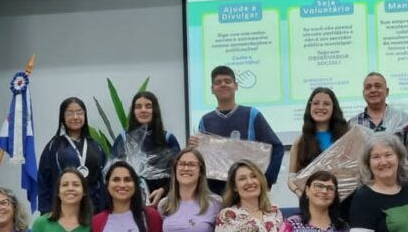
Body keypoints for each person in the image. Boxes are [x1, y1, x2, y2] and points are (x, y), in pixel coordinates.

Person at [191, 65, 284, 195]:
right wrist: (193, 149)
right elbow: (203, 160)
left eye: (227, 81)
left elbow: (277, 148)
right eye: (218, 82)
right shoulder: (205, 121)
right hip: (217, 192)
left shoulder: (252, 114)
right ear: (212, 89)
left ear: (236, 86)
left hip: (248, 190)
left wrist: (267, 180)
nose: (223, 84)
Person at [350, 71, 408, 191]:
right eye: (368, 87)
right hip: (366, 192)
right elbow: (352, 164)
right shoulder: (353, 124)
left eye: (378, 86)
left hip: (400, 190)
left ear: (387, 91)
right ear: (363, 94)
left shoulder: (403, 120)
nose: (373, 90)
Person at [37, 97, 107, 214]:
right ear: (62, 117)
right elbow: (43, 180)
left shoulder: (96, 146)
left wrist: (104, 209)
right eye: (70, 113)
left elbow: (104, 178)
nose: (75, 117)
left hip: (93, 211)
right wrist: (46, 211)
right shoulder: (53, 146)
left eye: (79, 112)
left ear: (85, 116)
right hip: (62, 212)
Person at [110, 90, 181, 205]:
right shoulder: (123, 139)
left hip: (162, 200)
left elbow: (178, 173)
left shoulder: (168, 138)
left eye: (148, 106)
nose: (143, 110)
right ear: (133, 111)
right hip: (129, 200)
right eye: (138, 107)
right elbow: (112, 172)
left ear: (155, 110)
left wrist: (163, 190)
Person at [287, 87, 349, 193]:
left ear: (334, 108)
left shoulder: (346, 137)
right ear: (310, 107)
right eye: (316, 103)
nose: (320, 107)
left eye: (326, 103)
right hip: (312, 203)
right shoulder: (300, 141)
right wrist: (300, 194)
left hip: (343, 201)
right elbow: (291, 178)